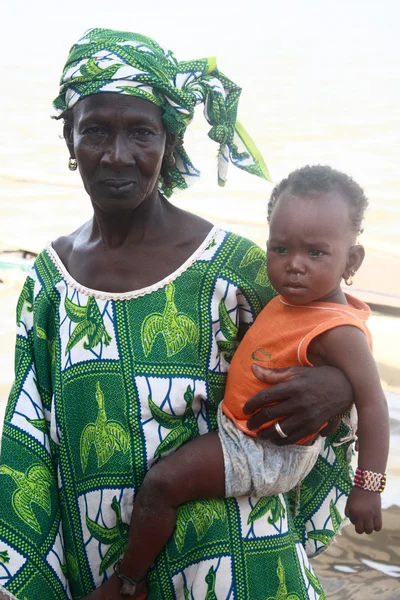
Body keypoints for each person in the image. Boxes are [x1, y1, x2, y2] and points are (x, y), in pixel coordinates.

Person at [0, 28, 354, 600]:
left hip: (235, 561)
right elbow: (30, 437)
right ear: (68, 138)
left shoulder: (237, 270)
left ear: (169, 141)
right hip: (106, 579)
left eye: (141, 132)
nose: (117, 155)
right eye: (95, 130)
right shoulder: (50, 283)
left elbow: (336, 338)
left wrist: (339, 386)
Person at [113, 165, 390, 598]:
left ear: (351, 261)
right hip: (244, 433)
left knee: (160, 486)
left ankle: (127, 581)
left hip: (261, 450)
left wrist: (368, 487)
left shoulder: (339, 331)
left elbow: (373, 405)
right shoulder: (296, 300)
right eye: (280, 249)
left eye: (316, 254)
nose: (294, 266)